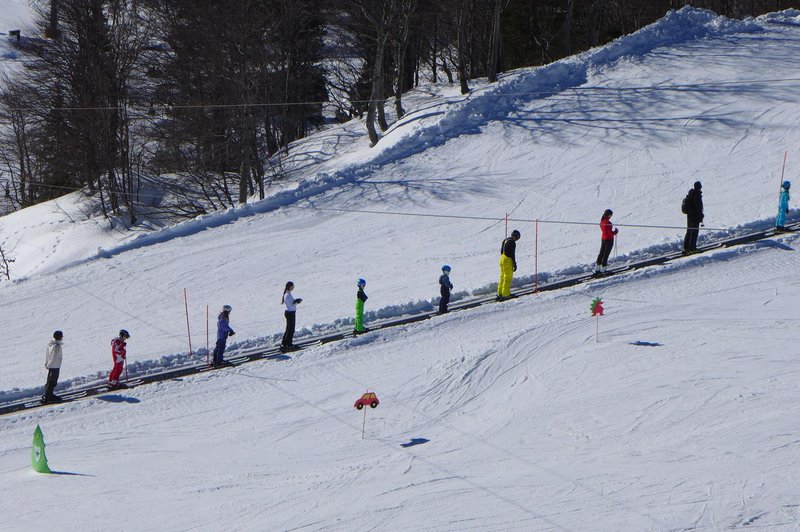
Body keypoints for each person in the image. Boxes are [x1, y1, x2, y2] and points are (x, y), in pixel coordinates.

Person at [497, 229, 520, 300]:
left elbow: (502, 251)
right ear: (516, 236)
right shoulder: (512, 242)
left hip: (502, 258)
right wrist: (514, 263)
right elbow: (512, 254)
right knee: (507, 278)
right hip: (507, 260)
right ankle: (506, 294)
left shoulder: (505, 240)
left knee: (502, 277)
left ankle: (500, 293)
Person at [594, 209, 619, 275]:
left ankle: (597, 269)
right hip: (609, 240)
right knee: (606, 255)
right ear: (609, 215)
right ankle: (604, 270)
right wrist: (615, 232)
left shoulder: (602, 221)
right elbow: (610, 233)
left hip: (603, 239)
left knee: (601, 253)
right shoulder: (608, 223)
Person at [42, 330, 64, 403]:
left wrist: (47, 364)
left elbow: (47, 355)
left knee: (49, 381)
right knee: (53, 382)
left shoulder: (50, 345)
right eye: (61, 336)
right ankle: (48, 397)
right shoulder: (57, 346)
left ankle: (48, 394)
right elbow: (53, 357)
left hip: (51, 365)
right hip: (55, 366)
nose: (62, 337)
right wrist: (49, 365)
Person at [683, 181, 704, 254]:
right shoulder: (697, 195)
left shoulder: (690, 194)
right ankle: (692, 248)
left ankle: (686, 248)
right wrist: (701, 215)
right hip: (695, 216)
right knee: (694, 232)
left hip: (689, 216)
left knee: (689, 231)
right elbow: (698, 207)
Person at [281, 282, 303, 352]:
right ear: (289, 287)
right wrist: (297, 302)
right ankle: (288, 344)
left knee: (289, 329)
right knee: (291, 330)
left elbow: (291, 303)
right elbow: (290, 305)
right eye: (292, 286)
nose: (293, 287)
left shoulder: (288, 294)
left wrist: (295, 301)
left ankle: (285, 343)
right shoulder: (287, 295)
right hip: (290, 313)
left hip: (290, 313)